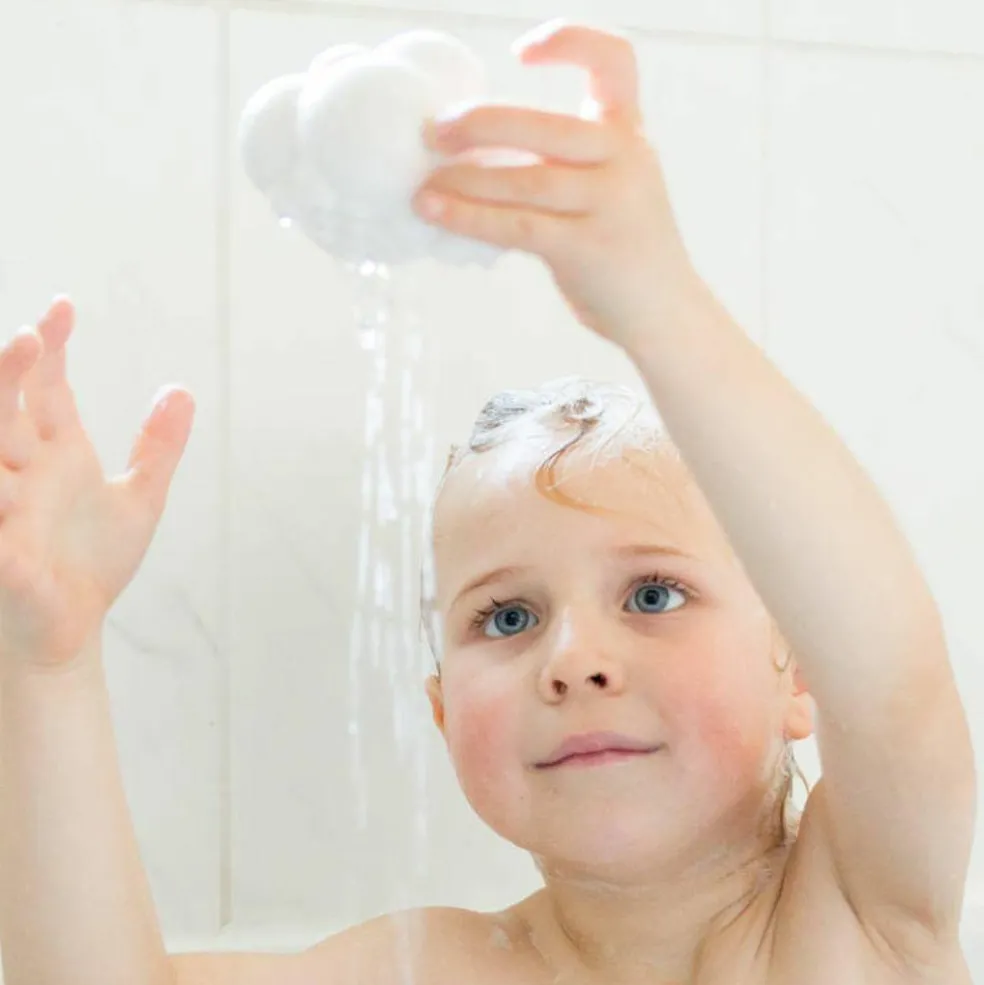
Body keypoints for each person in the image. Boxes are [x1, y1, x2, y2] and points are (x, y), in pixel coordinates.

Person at [0, 19, 974, 985]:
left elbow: (891, 675)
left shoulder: (859, 917)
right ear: (439, 709)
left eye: (652, 594)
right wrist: (50, 662)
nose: (574, 660)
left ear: (800, 670)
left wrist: (657, 299)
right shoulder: (434, 966)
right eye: (506, 616)